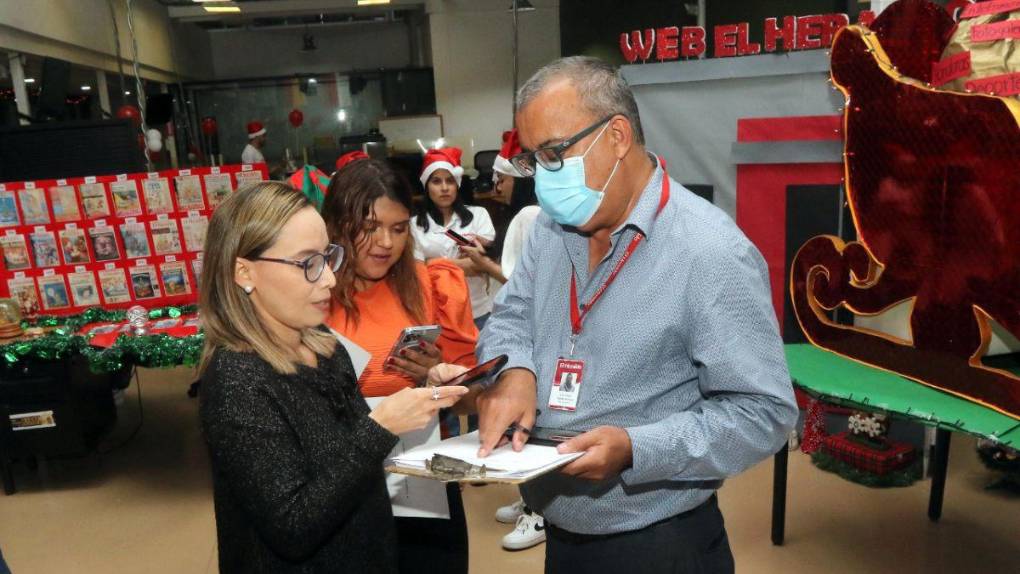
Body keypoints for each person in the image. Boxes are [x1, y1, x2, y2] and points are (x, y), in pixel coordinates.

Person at [475, 56, 799, 573]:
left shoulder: (710, 252)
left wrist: (637, 449)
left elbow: (765, 413)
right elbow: (512, 313)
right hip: (560, 531)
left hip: (659, 543)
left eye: (554, 154)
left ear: (617, 136)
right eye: (533, 161)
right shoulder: (551, 230)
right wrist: (514, 369)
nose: (541, 181)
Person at [198, 181, 469, 573]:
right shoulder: (236, 380)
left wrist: (426, 393)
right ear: (244, 271)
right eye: (307, 263)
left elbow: (347, 457)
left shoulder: (323, 344)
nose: (328, 278)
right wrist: (380, 428)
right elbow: (293, 526)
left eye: (328, 258)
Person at [321, 159, 478, 574]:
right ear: (336, 225)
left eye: (398, 227)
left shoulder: (430, 284)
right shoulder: (314, 293)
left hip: (422, 481)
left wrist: (438, 372)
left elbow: (472, 397)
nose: (385, 243)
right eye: (369, 227)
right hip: (340, 482)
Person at [410, 147, 499, 329]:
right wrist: (463, 264)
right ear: (427, 186)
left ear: (457, 185)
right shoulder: (414, 224)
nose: (444, 188)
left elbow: (482, 265)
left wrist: (431, 263)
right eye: (436, 181)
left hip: (477, 311)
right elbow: (416, 272)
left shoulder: (479, 215)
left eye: (450, 181)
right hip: (436, 313)